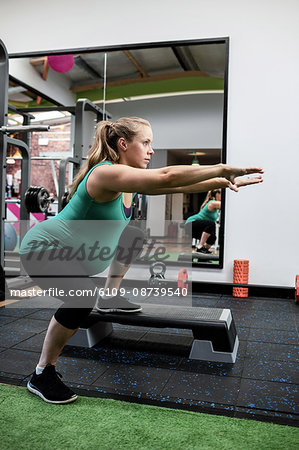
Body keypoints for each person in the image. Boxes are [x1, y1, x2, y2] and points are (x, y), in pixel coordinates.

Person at [19, 117, 263, 404]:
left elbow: (171, 186)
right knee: (82, 298)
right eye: (145, 143)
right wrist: (224, 168)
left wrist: (222, 181)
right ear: (123, 144)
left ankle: (110, 294)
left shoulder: (128, 181)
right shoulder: (105, 174)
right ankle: (42, 372)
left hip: (79, 257)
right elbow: (167, 176)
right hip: (43, 249)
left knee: (132, 233)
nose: (150, 151)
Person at [185, 189, 221, 254]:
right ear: (217, 194)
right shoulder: (212, 203)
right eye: (221, 193)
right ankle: (200, 247)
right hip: (190, 224)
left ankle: (202, 254)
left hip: (199, 228)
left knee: (212, 237)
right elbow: (225, 204)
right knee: (211, 224)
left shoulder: (217, 208)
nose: (222, 196)